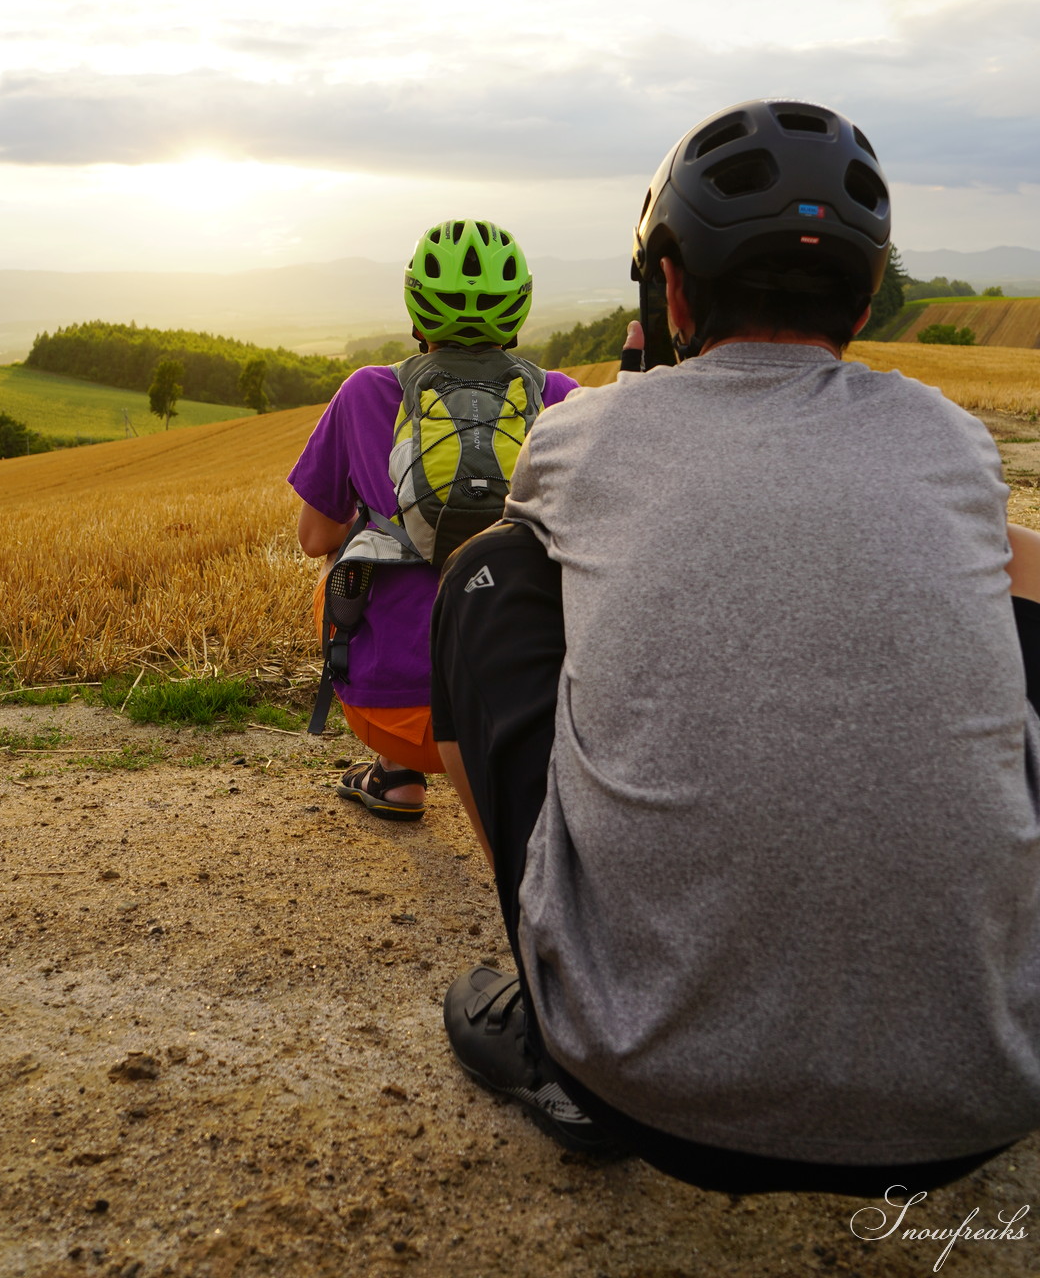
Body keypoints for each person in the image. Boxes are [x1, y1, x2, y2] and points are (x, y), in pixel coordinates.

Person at [431, 99, 1040, 1194]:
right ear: (866, 294)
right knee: (1015, 590)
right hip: (986, 1096)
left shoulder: (579, 434)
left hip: (641, 1081)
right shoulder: (949, 438)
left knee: (488, 573)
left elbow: (584, 547)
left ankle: (551, 1010)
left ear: (667, 289)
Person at [289, 220, 579, 820]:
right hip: (523, 712)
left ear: (415, 306)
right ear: (520, 307)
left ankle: (396, 774)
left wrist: (395, 528)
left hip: (391, 712)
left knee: (339, 561)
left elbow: (313, 537)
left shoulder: (366, 392)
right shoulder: (562, 396)